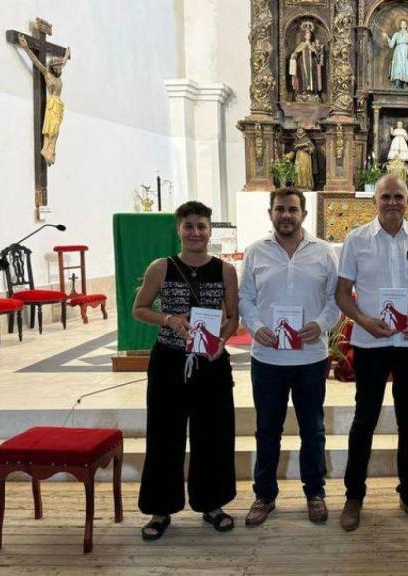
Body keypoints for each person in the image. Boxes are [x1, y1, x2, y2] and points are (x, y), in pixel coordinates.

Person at [336, 175, 408, 531]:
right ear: (375, 201)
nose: (392, 202)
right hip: (371, 343)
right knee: (364, 419)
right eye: (386, 196)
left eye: (399, 196)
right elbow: (342, 292)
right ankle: (354, 496)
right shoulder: (356, 240)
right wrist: (363, 321)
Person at [132, 201, 240, 541]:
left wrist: (221, 340)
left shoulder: (225, 270)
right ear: (178, 229)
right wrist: (168, 319)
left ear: (210, 230)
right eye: (189, 226)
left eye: (201, 226)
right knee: (164, 435)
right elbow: (139, 309)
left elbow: (233, 317)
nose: (195, 232)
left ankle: (212, 504)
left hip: (210, 362)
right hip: (169, 361)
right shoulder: (161, 267)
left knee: (213, 435)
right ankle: (160, 509)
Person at [238, 187, 340, 526]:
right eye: (280, 209)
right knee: (267, 430)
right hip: (267, 357)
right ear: (270, 213)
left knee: (313, 429)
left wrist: (321, 324)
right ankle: (264, 495)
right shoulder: (255, 251)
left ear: (304, 215)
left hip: (311, 357)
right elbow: (245, 298)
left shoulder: (324, 251)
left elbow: (336, 298)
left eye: (292, 209)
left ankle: (315, 493)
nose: (286, 215)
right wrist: (256, 328)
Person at [16, 34, 70, 165]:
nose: (60, 68)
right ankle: (46, 148)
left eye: (60, 66)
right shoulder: (48, 74)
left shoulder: (58, 76)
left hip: (59, 105)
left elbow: (63, 62)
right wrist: (26, 47)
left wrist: (67, 54)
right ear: (53, 67)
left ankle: (51, 150)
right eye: (58, 66)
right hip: (52, 104)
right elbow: (36, 61)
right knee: (51, 128)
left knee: (56, 131)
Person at [289, 23, 324, 100]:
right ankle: (303, 90)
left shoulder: (313, 45)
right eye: (307, 34)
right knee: (303, 75)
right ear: (304, 36)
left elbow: (317, 55)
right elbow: (295, 52)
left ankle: (312, 91)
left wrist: (317, 50)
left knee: (312, 76)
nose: (308, 36)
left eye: (309, 35)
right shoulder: (302, 44)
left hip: (311, 64)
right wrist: (293, 56)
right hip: (302, 63)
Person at [382, 19, 408, 89]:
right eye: (402, 24)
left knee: (406, 65)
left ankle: (405, 83)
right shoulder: (396, 34)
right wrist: (387, 37)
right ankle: (397, 83)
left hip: (406, 51)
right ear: (400, 25)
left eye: (404, 24)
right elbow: (391, 45)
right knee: (398, 66)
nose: (403, 25)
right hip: (398, 52)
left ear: (406, 25)